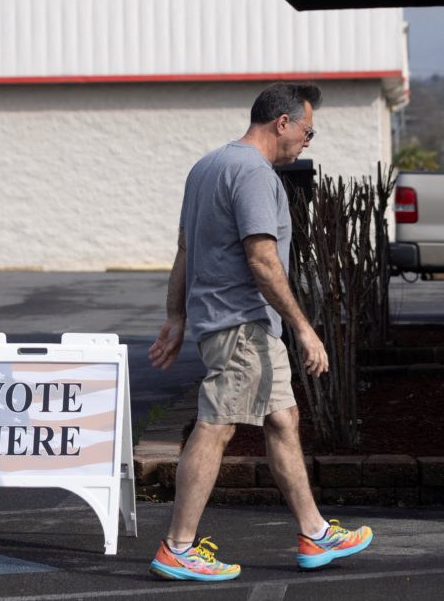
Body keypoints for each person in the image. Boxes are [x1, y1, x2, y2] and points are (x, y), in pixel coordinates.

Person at [146, 83, 373, 582]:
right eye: (308, 130)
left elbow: (186, 249)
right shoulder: (253, 174)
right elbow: (263, 260)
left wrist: (177, 315)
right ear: (283, 123)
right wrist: (304, 328)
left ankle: (314, 532)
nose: (308, 141)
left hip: (230, 322)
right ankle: (178, 546)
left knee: (283, 420)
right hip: (242, 325)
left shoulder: (207, 167)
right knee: (218, 424)